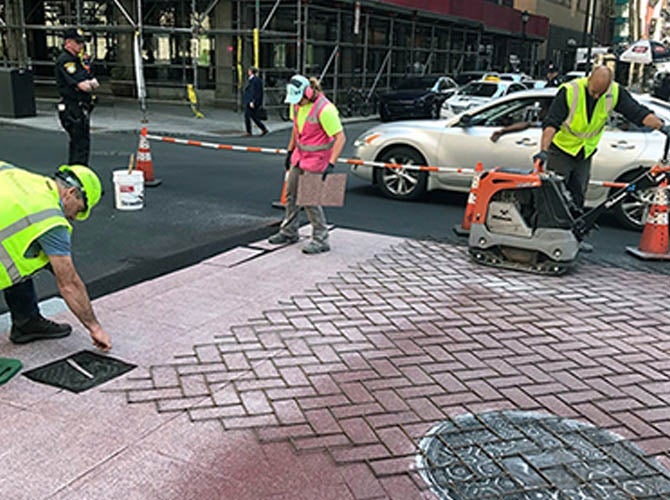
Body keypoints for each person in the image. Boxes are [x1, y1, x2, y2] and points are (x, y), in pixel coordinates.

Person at [1, 162, 111, 351]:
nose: (75, 218)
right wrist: (94, 327)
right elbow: (69, 285)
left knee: (25, 255)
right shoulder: (51, 220)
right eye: (79, 209)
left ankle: (27, 322)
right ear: (70, 193)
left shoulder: (17, 174)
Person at [533, 66, 670, 211]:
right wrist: (544, 150)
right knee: (556, 193)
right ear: (589, 79)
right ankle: (550, 226)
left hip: (585, 152)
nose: (597, 96)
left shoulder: (615, 92)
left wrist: (661, 126)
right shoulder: (569, 91)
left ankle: (573, 223)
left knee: (578, 193)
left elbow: (637, 113)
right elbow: (551, 123)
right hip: (561, 149)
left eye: (601, 93)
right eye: (594, 92)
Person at [268, 75, 346, 254]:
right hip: (299, 155)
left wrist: (331, 164)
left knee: (310, 198)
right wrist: (289, 152)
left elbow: (341, 138)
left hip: (317, 158)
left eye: (299, 99)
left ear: (308, 92)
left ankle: (321, 239)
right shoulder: (296, 105)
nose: (298, 104)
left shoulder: (325, 109)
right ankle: (289, 231)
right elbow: (296, 130)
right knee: (291, 194)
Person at [55, 28, 99, 166]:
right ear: (68, 43)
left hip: (80, 106)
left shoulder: (78, 60)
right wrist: (89, 84)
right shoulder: (66, 61)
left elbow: (94, 82)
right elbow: (83, 85)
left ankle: (77, 173)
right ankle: (77, 175)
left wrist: (89, 83)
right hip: (72, 107)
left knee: (81, 144)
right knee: (79, 146)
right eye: (78, 43)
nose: (81, 46)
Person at [243, 66, 268, 137]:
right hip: (251, 101)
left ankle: (249, 131)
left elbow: (254, 92)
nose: (248, 72)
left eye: (249, 71)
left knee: (248, 116)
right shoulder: (253, 80)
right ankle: (263, 128)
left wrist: (252, 101)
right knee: (253, 116)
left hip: (252, 101)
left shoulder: (255, 80)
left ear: (251, 72)